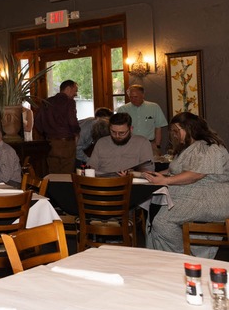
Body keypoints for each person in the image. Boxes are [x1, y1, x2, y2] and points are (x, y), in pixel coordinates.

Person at [144, 112, 229, 258]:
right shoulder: (190, 147)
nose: (174, 135)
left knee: (162, 221)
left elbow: (196, 174)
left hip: (212, 199)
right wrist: (148, 174)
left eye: (177, 131)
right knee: (154, 212)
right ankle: (167, 257)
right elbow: (176, 170)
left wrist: (166, 180)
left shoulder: (209, 147)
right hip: (194, 195)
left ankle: (182, 256)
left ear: (189, 128)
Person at [34, 80, 80, 173]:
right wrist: (77, 132)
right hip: (66, 144)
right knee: (66, 175)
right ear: (68, 89)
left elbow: (38, 122)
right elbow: (72, 122)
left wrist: (46, 134)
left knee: (53, 174)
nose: (75, 94)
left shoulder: (46, 102)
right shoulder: (69, 102)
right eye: (75, 91)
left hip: (50, 144)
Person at [88, 113, 154, 176]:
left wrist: (131, 174)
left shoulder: (142, 142)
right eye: (113, 132)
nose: (117, 136)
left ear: (131, 129)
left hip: (132, 183)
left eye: (122, 133)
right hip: (105, 183)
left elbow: (149, 170)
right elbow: (91, 167)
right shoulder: (101, 142)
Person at [117, 84, 168, 155]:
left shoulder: (154, 107)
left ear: (143, 95)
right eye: (131, 97)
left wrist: (157, 145)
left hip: (149, 144)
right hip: (129, 145)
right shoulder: (123, 109)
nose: (133, 99)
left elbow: (158, 128)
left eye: (135, 97)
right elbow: (118, 129)